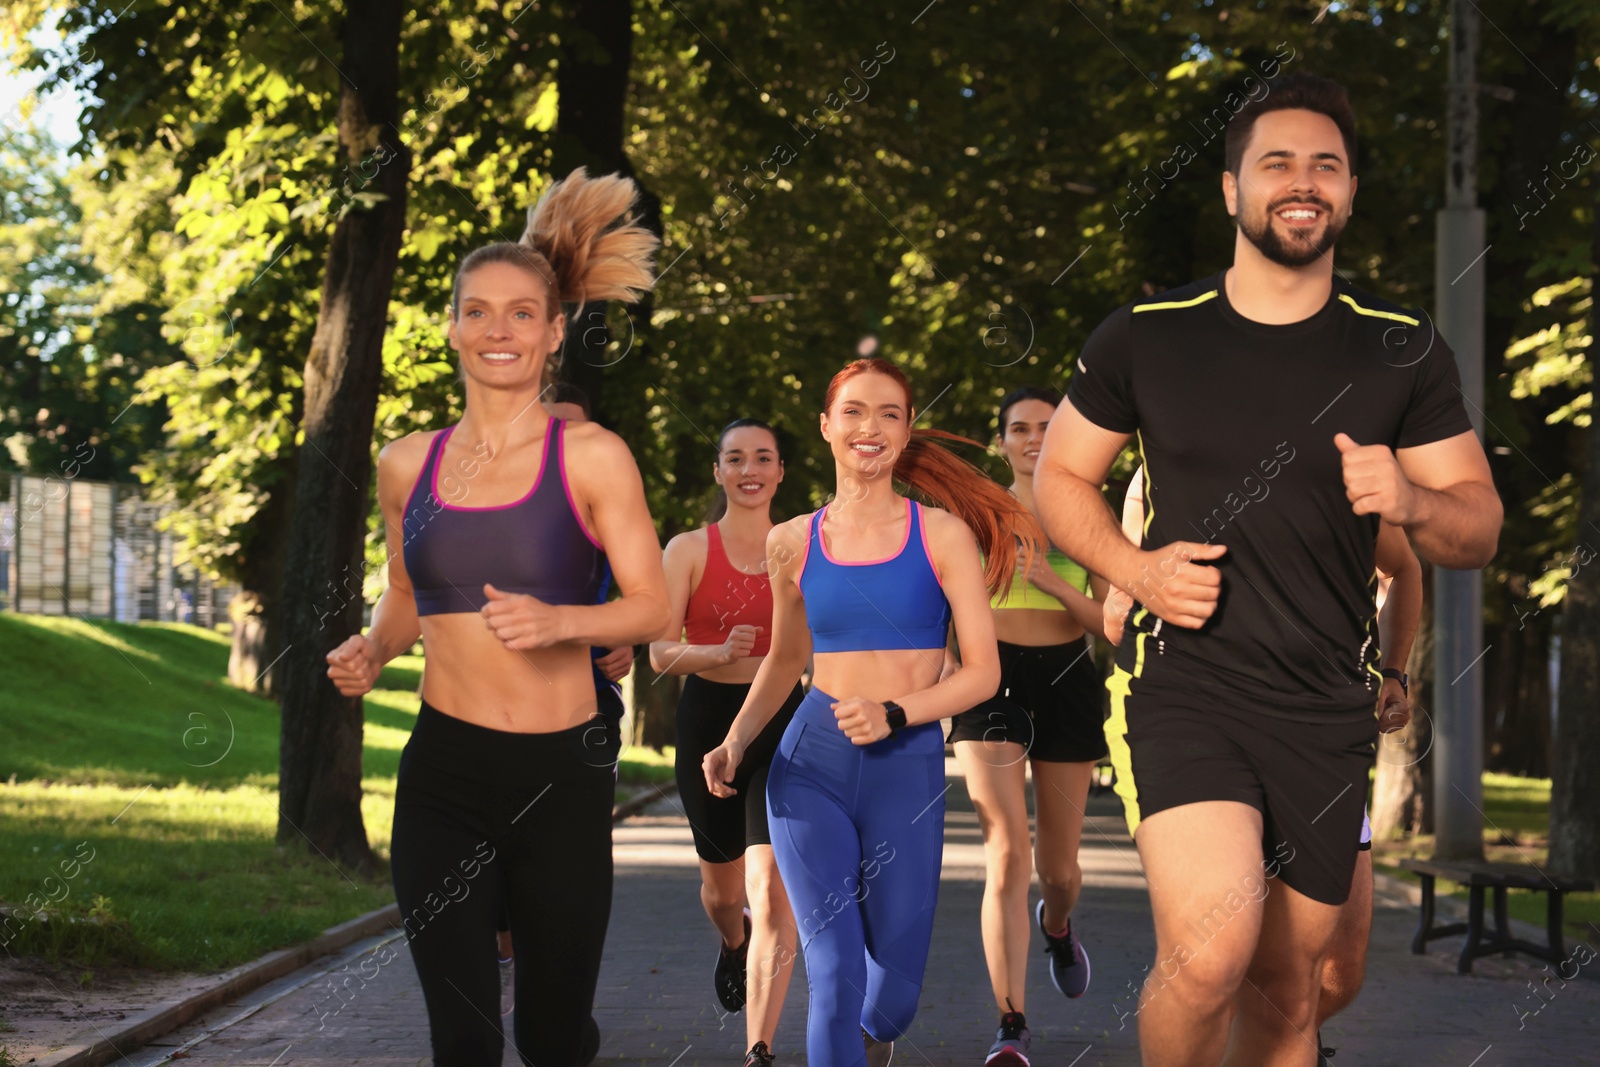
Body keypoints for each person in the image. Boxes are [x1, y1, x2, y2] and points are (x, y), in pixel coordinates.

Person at [1034, 73, 1500, 1066]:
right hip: (1188, 685)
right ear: (1230, 189)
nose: (1302, 181)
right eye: (1276, 162)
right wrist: (1137, 568)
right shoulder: (1148, 334)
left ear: (1347, 192)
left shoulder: (1400, 351)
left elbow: (1476, 527)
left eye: (1324, 164)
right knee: (1210, 954)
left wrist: (1411, 500)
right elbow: (1059, 476)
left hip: (1324, 705)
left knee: (1295, 987)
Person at [324, 168, 670, 1067]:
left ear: (555, 331)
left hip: (561, 775)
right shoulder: (406, 465)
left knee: (553, 1037)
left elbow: (653, 603)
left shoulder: (593, 456)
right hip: (443, 774)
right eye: (477, 311)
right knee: (464, 1037)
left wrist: (562, 622)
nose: (498, 331)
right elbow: (407, 595)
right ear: (451, 327)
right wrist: (372, 648)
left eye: (522, 313)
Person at [702, 358, 1042, 1067]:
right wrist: (735, 741)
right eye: (853, 411)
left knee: (892, 998)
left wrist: (896, 711)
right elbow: (785, 659)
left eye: (890, 413)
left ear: (907, 430)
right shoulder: (791, 540)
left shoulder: (943, 534)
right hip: (810, 766)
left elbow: (984, 672)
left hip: (905, 767)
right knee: (833, 971)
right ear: (826, 427)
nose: (870, 426)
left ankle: (870, 1029)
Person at [1106, 468, 1422, 1066]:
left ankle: (1275, 1028)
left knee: (1334, 976)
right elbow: (1121, 596)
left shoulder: (1344, 464)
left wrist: (1395, 672)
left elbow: (1404, 568)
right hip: (1203, 717)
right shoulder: (1166, 462)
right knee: (1217, 955)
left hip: (1323, 732)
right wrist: (1133, 592)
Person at [945, 387, 1110, 1067]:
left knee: (1059, 869)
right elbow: (940, 600)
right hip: (991, 680)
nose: (1034, 436)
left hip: (1069, 674)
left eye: (1047, 425)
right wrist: (953, 663)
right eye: (1020, 427)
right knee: (1007, 852)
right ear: (1003, 441)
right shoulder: (975, 510)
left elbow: (1111, 621)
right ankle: (1010, 1022)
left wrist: (1054, 580)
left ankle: (1058, 923)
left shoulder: (1086, 505)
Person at [648, 418, 803, 1067]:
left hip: (782, 722)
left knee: (772, 885)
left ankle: (759, 1047)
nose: (749, 469)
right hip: (707, 717)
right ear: (718, 471)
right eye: (735, 458)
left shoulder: (800, 544)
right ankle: (732, 941)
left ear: (779, 472)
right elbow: (657, 651)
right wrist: (715, 650)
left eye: (762, 458)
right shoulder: (686, 548)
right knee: (723, 890)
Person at [494, 381, 634, 1016]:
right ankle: (509, 952)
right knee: (501, 851)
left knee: (572, 853)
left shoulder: (609, 509)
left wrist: (624, 639)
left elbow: (642, 605)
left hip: (587, 708)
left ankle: (559, 1004)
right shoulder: (485, 505)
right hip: (493, 709)